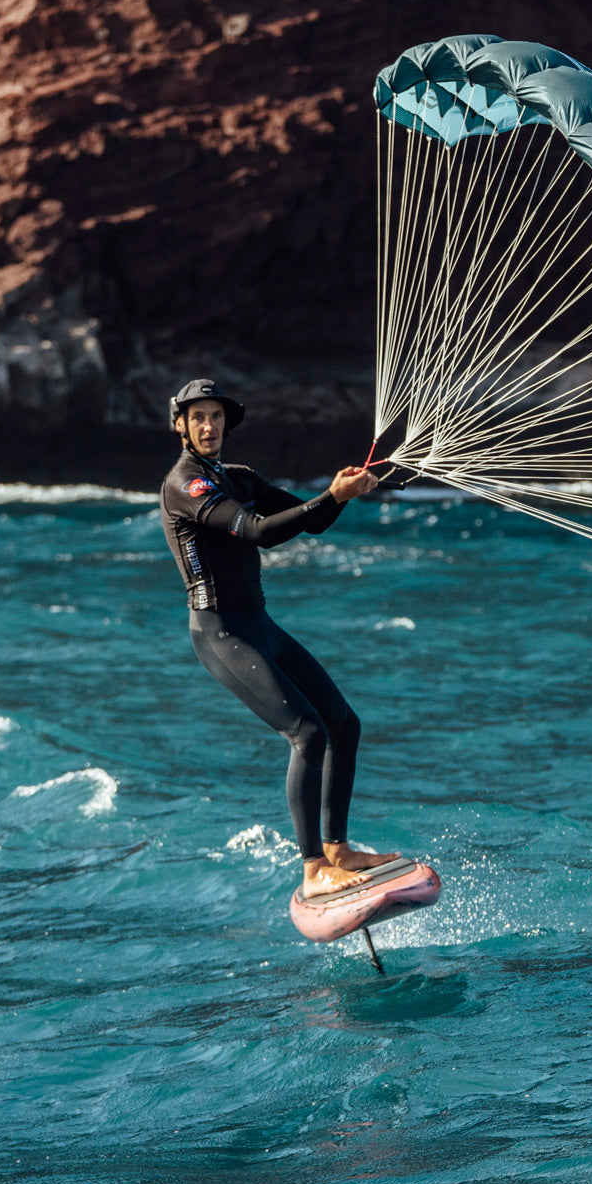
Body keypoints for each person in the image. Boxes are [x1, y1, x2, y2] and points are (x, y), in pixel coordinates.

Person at [159, 378, 395, 897]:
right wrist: (331, 495)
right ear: (180, 424)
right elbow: (259, 532)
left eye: (217, 416)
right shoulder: (185, 485)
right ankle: (313, 869)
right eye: (197, 417)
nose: (209, 426)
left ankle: (338, 849)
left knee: (344, 724)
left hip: (259, 624)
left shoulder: (237, 476)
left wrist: (345, 493)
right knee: (307, 731)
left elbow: (308, 522)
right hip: (220, 631)